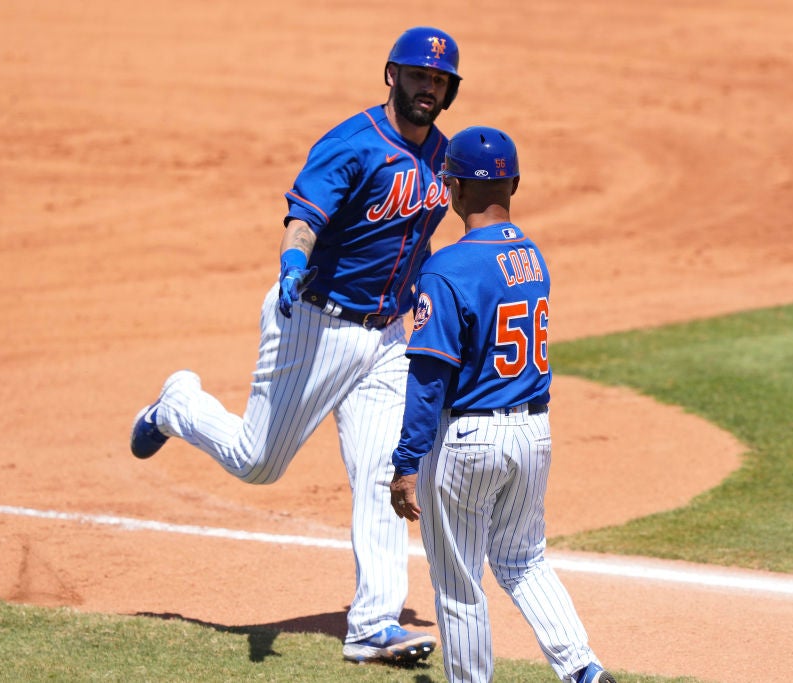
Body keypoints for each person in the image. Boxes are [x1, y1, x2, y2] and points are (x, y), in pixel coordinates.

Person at [129, 26, 463, 665]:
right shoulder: (353, 144)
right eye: (419, 75)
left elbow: (417, 242)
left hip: (388, 338)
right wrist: (291, 263)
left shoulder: (441, 158)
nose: (428, 87)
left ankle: (373, 628)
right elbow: (304, 218)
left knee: (383, 474)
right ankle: (178, 405)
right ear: (392, 75)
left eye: (440, 80)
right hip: (313, 320)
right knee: (258, 461)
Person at [388, 126, 618, 683]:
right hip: (533, 433)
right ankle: (582, 669)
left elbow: (428, 376)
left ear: (454, 189)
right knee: (524, 559)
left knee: (460, 584)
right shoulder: (530, 257)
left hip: (469, 442)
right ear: (512, 182)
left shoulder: (447, 269)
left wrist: (406, 463)